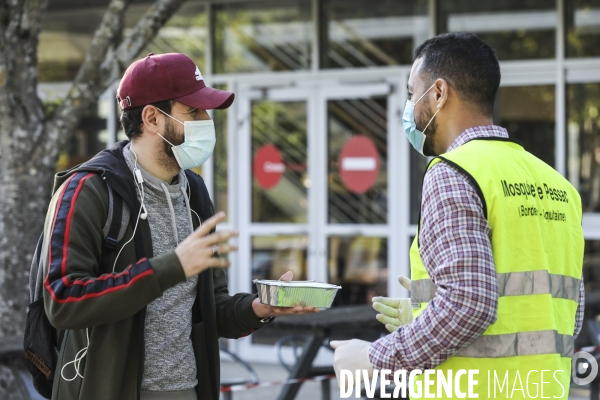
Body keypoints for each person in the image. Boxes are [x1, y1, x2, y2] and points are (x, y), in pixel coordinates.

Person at [41, 52, 317, 400]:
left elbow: (209, 307)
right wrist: (171, 267)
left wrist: (260, 308)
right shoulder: (88, 191)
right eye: (194, 111)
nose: (206, 120)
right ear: (152, 118)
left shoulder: (194, 192)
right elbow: (62, 301)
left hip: (186, 390)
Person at [331, 32, 584, 398]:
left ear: (438, 93)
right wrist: (424, 317)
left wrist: (373, 358)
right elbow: (562, 317)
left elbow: (469, 304)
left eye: (410, 93)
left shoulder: (452, 171)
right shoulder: (560, 187)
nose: (408, 108)